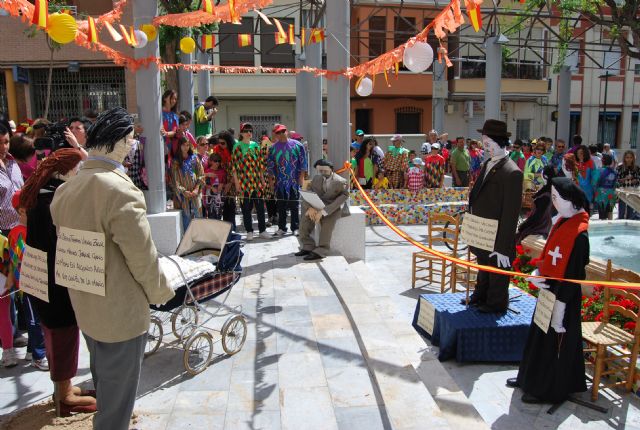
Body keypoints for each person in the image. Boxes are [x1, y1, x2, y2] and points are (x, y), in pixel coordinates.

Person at [50, 107, 175, 429]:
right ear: (118, 141)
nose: (133, 146)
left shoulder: (66, 190)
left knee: (104, 378)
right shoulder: (118, 190)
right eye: (131, 139)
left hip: (87, 302)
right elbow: (142, 257)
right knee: (119, 397)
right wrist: (161, 292)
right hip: (120, 312)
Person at [20, 148, 97, 416]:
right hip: (55, 283)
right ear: (65, 171)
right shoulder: (54, 200)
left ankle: (63, 388)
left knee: (57, 335)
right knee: (63, 334)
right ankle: (65, 397)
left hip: (40, 279)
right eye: (76, 170)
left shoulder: (39, 197)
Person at [508, 177, 590, 404]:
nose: (553, 202)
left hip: (563, 298)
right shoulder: (563, 222)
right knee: (537, 338)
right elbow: (549, 256)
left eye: (556, 198)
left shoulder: (580, 235)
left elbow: (574, 276)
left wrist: (560, 309)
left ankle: (548, 390)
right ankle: (528, 378)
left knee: (553, 344)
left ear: (571, 201)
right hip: (549, 290)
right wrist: (538, 275)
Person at [465, 120, 523, 313]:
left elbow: (511, 213)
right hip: (483, 229)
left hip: (497, 232)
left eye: (489, 143)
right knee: (484, 266)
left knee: (496, 269)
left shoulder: (512, 172)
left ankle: (495, 303)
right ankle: (480, 296)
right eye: (484, 142)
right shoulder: (489, 163)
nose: (485, 147)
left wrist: (503, 246)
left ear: (500, 142)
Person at [5, 191, 48, 370]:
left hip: (40, 280)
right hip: (28, 284)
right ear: (21, 211)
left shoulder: (35, 228)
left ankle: (32, 350)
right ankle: (39, 355)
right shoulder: (17, 232)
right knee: (34, 320)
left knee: (37, 318)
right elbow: (17, 259)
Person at [295, 159, 349, 261]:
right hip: (317, 205)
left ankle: (321, 250)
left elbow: (344, 197)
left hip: (333, 208)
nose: (323, 173)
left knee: (327, 225)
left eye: (325, 171)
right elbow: (308, 192)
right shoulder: (316, 179)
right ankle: (307, 246)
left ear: (331, 170)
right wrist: (310, 208)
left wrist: (324, 212)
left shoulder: (340, 182)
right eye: (320, 171)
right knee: (304, 222)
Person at [232, 122, 270, 240]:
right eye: (246, 131)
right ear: (241, 133)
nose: (249, 133)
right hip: (244, 183)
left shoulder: (255, 146)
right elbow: (234, 168)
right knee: (246, 208)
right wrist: (237, 183)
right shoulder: (237, 146)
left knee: (260, 207)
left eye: (250, 131)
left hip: (257, 182)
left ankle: (262, 230)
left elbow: (260, 165)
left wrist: (263, 180)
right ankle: (249, 231)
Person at [268, 123, 307, 236]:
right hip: (280, 182)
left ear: (286, 131)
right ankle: (282, 227)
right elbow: (270, 166)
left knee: (294, 205)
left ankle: (295, 227)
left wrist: (301, 177)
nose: (281, 134)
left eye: (283, 131)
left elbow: (303, 163)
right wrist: (271, 182)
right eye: (278, 132)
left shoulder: (297, 145)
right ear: (275, 134)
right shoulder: (273, 148)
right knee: (281, 206)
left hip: (294, 182)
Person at [172, 136, 205, 231]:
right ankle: (188, 239)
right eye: (183, 145)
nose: (186, 147)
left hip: (196, 191)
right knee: (186, 216)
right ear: (179, 146)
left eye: (188, 145)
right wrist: (183, 191)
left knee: (198, 214)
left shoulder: (194, 158)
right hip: (184, 194)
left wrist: (196, 188)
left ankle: (200, 238)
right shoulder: (176, 161)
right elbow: (175, 180)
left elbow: (201, 174)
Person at [516, 166, 556, 244]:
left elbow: (537, 217)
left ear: (545, 176)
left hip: (539, 226)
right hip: (543, 224)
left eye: (542, 173)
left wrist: (523, 225)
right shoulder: (548, 189)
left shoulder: (546, 197)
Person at [0, 123, 23, 237]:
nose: (4, 147)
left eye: (6, 142)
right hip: (3, 233)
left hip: (21, 227)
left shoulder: (13, 162)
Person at [213, 132, 237, 229]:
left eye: (223, 143)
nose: (220, 145)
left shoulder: (234, 150)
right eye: (219, 143)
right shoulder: (216, 150)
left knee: (230, 206)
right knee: (220, 207)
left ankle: (231, 230)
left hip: (231, 182)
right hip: (220, 182)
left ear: (228, 142)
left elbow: (236, 169)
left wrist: (230, 183)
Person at [593, 154, 618, 220]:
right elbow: (616, 184)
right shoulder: (615, 172)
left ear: (602, 161)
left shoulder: (599, 171)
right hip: (611, 194)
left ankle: (603, 228)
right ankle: (610, 227)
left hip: (601, 194)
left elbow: (594, 182)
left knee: (602, 215)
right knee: (610, 212)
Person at [616, 150, 640, 219]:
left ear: (633, 158)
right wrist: (624, 179)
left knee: (631, 212)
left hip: (632, 193)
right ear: (624, 158)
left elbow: (639, 180)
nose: (629, 159)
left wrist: (635, 181)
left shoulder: (637, 168)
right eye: (627, 157)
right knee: (621, 212)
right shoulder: (620, 168)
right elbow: (617, 181)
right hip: (622, 192)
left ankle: (629, 228)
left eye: (630, 157)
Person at [160, 89, 179, 164]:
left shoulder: (174, 115)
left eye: (175, 99)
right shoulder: (158, 113)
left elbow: (174, 132)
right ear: (164, 98)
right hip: (158, 146)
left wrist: (166, 133)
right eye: (171, 98)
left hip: (170, 148)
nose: (174, 100)